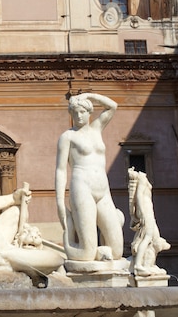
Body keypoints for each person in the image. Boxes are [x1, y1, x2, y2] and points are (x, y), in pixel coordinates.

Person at [55, 92, 124, 262]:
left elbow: (112, 106)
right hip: (82, 187)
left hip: (103, 190)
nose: (78, 116)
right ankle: (82, 247)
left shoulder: (97, 128)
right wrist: (59, 201)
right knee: (85, 254)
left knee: (117, 252)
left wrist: (87, 95)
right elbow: (61, 170)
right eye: (75, 112)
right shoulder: (68, 136)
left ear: (89, 112)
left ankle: (98, 252)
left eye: (82, 112)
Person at [128, 167, 170, 276]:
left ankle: (149, 264)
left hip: (149, 210)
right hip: (146, 210)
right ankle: (138, 265)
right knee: (147, 237)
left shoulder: (144, 178)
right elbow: (138, 195)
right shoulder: (142, 178)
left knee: (154, 237)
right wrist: (141, 212)